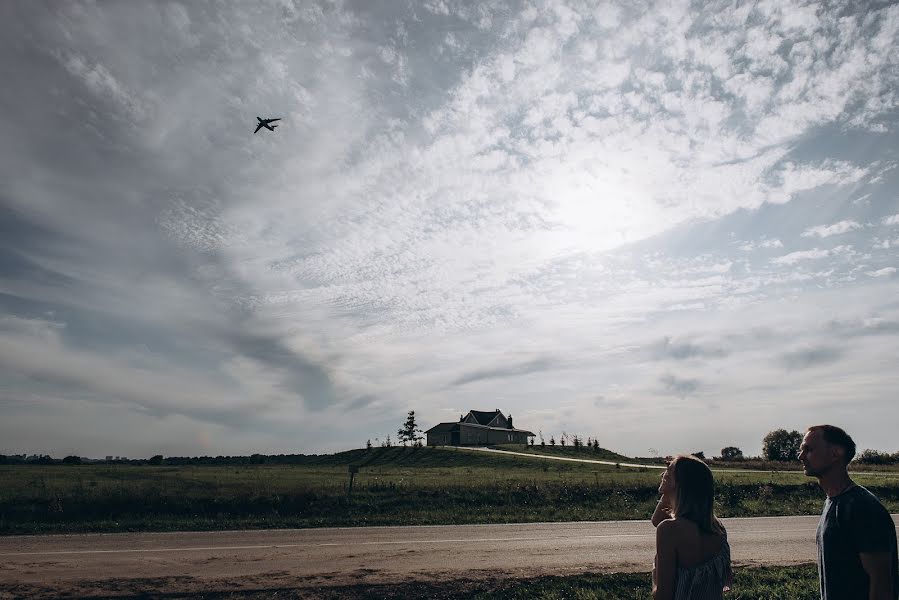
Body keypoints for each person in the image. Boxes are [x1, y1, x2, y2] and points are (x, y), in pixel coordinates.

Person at [799, 425, 898, 600]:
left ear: (836, 453)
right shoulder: (833, 501)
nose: (801, 456)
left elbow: (882, 586)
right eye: (801, 450)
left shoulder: (862, 507)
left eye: (809, 449)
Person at [651, 454, 732, 600]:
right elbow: (656, 520)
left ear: (681, 483)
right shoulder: (718, 529)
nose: (663, 474)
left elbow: (664, 594)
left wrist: (668, 490)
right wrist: (669, 491)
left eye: (668, 471)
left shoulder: (669, 531)